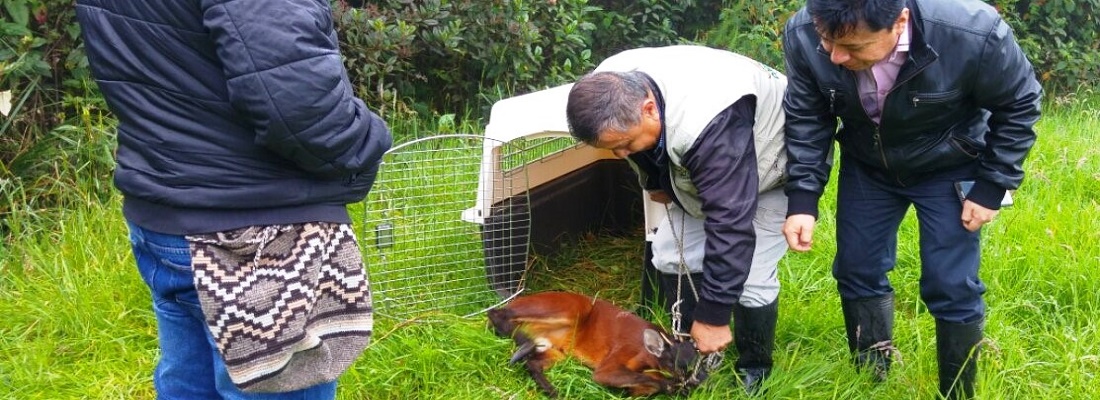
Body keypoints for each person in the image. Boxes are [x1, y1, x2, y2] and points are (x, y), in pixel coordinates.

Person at [75, 1, 392, 398]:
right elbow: (300, 108)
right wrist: (370, 141)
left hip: (165, 212)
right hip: (258, 235)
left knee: (188, 385)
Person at [781, 0, 1041, 397]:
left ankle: (957, 391)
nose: (835, 56)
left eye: (852, 46)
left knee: (950, 282)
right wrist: (802, 199)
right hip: (868, 162)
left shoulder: (972, 32)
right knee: (856, 267)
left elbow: (1020, 102)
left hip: (949, 160)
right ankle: (870, 377)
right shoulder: (803, 33)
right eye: (827, 42)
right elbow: (807, 116)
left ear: (899, 21)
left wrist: (992, 185)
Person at [566, 45, 790, 394]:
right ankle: (692, 353)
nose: (621, 155)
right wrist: (655, 181)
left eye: (625, 144)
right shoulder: (609, 84)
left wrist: (713, 317)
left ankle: (754, 369)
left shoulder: (708, 120)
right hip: (711, 170)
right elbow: (642, 147)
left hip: (775, 163)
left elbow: (730, 224)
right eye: (612, 148)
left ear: (649, 109)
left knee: (752, 277)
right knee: (670, 254)